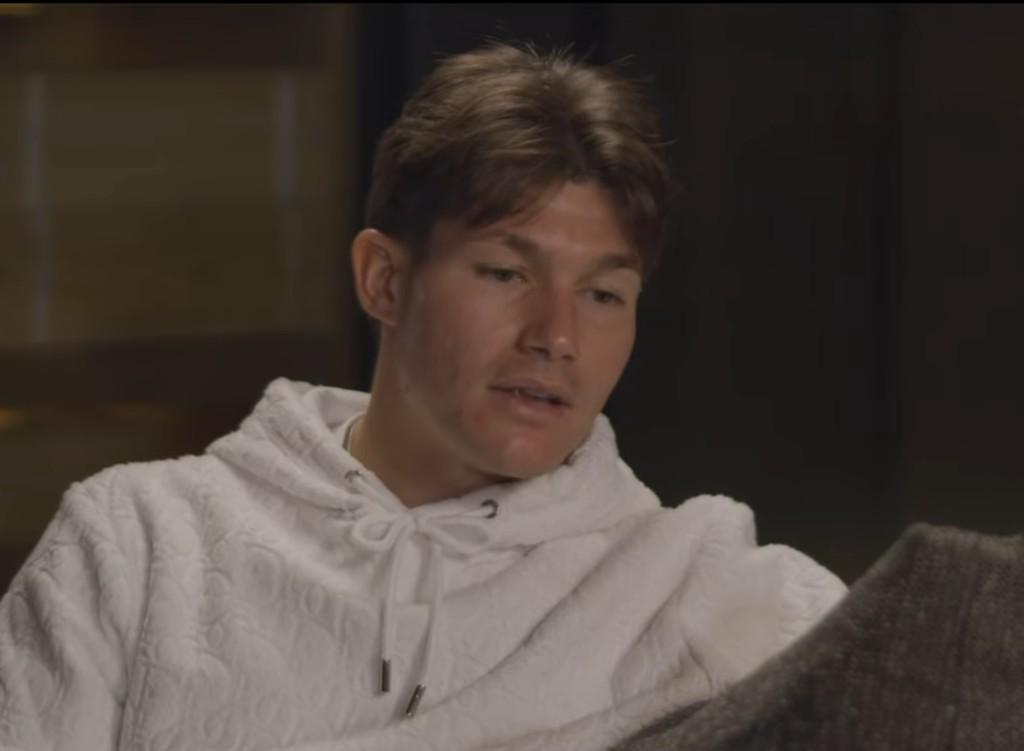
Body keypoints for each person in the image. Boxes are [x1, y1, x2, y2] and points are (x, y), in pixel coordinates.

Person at [0, 42, 846, 751]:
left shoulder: (699, 587)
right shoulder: (138, 546)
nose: (556, 335)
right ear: (384, 279)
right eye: (506, 273)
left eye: (602, 294)